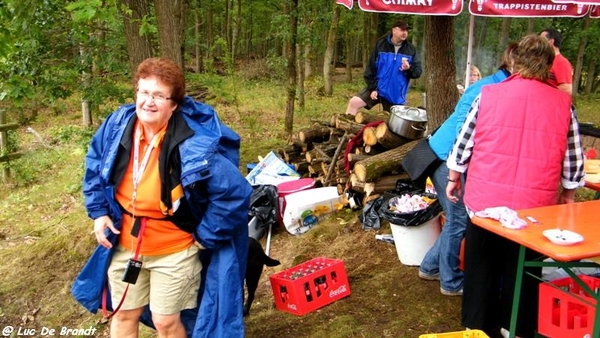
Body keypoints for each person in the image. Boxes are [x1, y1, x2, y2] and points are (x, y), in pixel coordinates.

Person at [71, 57, 253, 338]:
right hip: (127, 245)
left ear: (174, 104)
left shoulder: (194, 143)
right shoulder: (118, 125)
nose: (148, 102)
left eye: (158, 95)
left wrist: (205, 236)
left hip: (175, 250)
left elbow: (234, 193)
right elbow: (96, 164)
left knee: (165, 322)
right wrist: (98, 212)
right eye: (143, 92)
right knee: (122, 315)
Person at [446, 35, 585, 338]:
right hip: (535, 207)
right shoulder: (564, 104)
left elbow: (464, 142)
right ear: (549, 65)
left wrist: (454, 177)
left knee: (481, 264)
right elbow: (573, 156)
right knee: (523, 267)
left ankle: (477, 326)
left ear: (515, 61)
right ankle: (517, 327)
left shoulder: (489, 94)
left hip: (485, 202)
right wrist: (569, 192)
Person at [418, 44, 517, 297]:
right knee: (458, 219)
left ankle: (429, 267)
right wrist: (460, 170)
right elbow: (464, 130)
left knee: (456, 219)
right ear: (514, 65)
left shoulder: (498, 86)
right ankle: (450, 282)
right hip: (445, 158)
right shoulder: (486, 89)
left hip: (447, 157)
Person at [345, 20, 422, 115]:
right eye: (402, 30)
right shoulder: (381, 45)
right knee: (354, 102)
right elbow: (370, 69)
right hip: (378, 88)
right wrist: (373, 88)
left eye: (406, 30)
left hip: (395, 94)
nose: (405, 33)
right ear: (394, 30)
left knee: (394, 124)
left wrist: (408, 68)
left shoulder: (411, 49)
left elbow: (418, 72)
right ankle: (345, 125)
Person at [540, 27, 573, 94]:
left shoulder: (562, 62)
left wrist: (541, 91)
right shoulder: (544, 60)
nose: (539, 43)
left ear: (551, 41)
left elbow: (567, 89)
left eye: (541, 40)